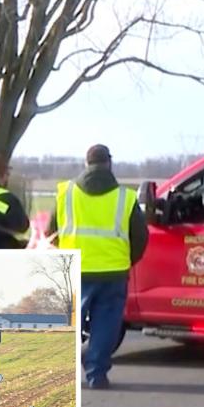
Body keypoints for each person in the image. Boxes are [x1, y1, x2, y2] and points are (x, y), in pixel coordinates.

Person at [47, 144, 148, 389]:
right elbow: (141, 237)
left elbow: (51, 231)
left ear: (86, 163)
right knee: (106, 326)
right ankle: (97, 375)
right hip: (113, 272)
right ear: (109, 163)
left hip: (75, 270)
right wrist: (126, 261)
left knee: (71, 323)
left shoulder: (66, 193)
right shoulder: (125, 197)